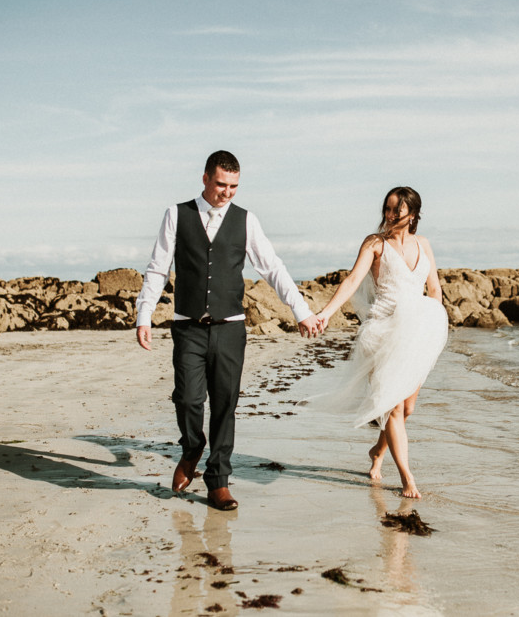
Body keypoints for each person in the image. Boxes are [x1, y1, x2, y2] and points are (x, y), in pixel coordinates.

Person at [135, 150, 321, 511]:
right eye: (221, 184)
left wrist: (301, 310)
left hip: (230, 329)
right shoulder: (176, 215)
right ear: (205, 179)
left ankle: (218, 481)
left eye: (234, 186)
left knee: (225, 405)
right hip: (188, 326)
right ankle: (192, 450)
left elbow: (272, 268)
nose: (227, 192)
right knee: (188, 398)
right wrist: (145, 315)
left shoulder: (246, 221)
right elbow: (158, 268)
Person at [312, 187, 448, 498]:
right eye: (386, 209)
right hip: (383, 332)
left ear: (412, 214)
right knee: (394, 408)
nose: (389, 215)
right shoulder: (375, 244)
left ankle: (377, 451)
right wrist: (326, 313)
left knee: (408, 408)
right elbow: (352, 281)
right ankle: (407, 479)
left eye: (396, 211)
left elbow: (435, 289)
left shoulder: (423, 244)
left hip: (417, 334)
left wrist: (435, 325)